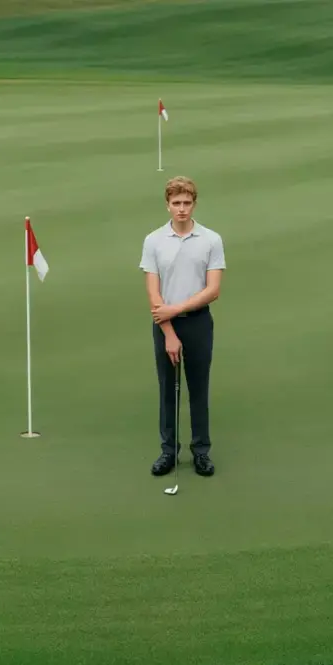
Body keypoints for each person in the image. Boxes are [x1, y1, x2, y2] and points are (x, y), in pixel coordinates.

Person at [139, 176, 226, 477]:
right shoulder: (153, 241)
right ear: (167, 205)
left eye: (186, 203)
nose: (181, 209)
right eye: (176, 203)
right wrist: (169, 332)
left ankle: (201, 451)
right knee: (168, 391)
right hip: (165, 326)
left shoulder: (211, 239)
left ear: (194, 204)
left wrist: (176, 309)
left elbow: (212, 290)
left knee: (198, 389)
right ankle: (168, 452)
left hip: (199, 324)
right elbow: (153, 293)